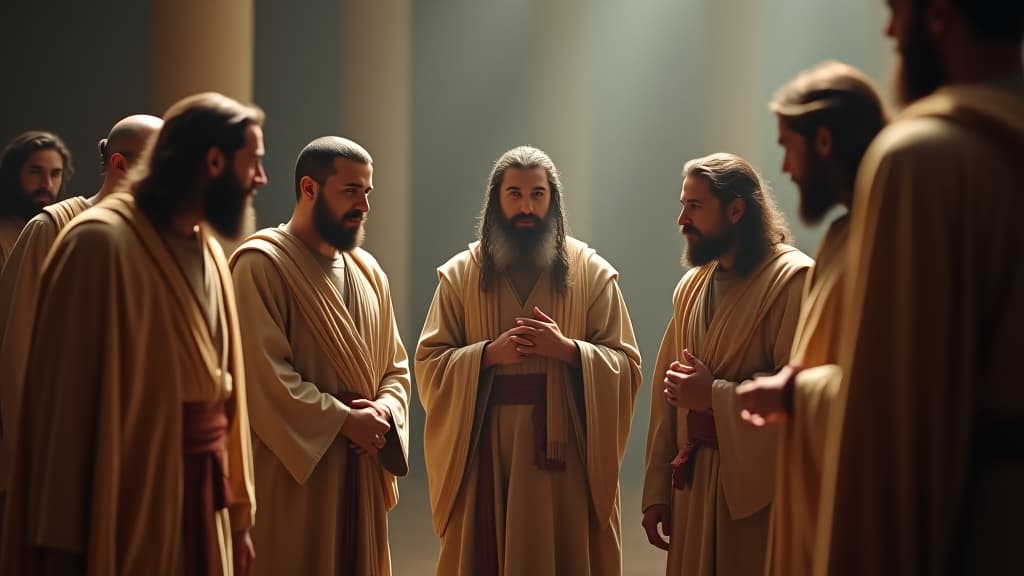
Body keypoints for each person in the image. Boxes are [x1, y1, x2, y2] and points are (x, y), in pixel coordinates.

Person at [1, 92, 265, 576]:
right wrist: (59, 538)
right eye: (254, 163)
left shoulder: (207, 251)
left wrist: (240, 518)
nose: (261, 180)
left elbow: (231, 399)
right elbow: (62, 409)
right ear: (212, 161)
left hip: (204, 496)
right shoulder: (96, 243)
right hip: (130, 489)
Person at [813, 1, 1024, 573]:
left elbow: (890, 437)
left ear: (938, 15)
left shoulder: (923, 162)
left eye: (896, 12)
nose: (888, 32)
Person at [416, 145, 641, 575]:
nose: (526, 206)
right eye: (514, 193)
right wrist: (485, 355)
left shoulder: (591, 273)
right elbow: (429, 362)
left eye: (537, 194)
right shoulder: (461, 275)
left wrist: (569, 350)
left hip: (564, 453)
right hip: (486, 451)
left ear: (552, 199)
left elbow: (627, 365)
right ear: (496, 200)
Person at [733, 61, 886, 576]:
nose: (785, 167)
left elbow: (894, 385)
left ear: (823, 141)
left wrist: (795, 394)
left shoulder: (889, 230)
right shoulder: (842, 237)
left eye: (787, 145)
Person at [230, 136, 411, 575]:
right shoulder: (260, 265)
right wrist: (345, 420)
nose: (364, 206)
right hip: (295, 479)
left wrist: (385, 413)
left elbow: (395, 368)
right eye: (351, 191)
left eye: (367, 193)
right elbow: (263, 376)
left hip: (360, 473)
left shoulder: (370, 273)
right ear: (309, 189)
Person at [641, 152, 811, 576]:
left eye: (695, 206)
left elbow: (803, 401)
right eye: (683, 205)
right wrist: (657, 491)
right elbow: (668, 399)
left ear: (736, 210)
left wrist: (714, 397)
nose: (682, 219)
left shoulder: (792, 282)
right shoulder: (691, 288)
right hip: (694, 487)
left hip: (755, 496)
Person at [0, 115, 163, 516]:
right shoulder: (51, 229)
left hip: (139, 453)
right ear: (121, 164)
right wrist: (38, 455)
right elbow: (19, 350)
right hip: (64, 451)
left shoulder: (162, 241)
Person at [0, 131, 72, 266]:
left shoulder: (65, 237)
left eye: (55, 174)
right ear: (12, 175)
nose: (47, 184)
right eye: (36, 172)